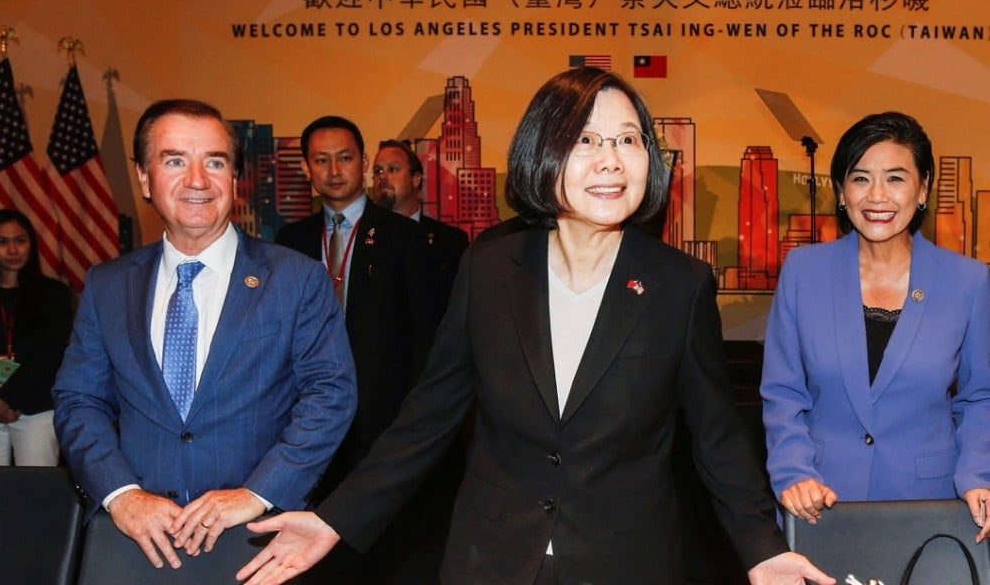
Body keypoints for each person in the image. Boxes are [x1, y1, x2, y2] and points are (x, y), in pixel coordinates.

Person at [237, 68, 834, 585]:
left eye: (628, 139)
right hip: (492, 557)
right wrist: (335, 517)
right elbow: (428, 416)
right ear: (543, 152)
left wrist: (762, 548)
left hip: (627, 560)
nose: (610, 160)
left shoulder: (680, 284)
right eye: (584, 140)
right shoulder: (492, 265)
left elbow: (716, 437)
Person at [52, 99, 357, 570]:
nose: (197, 180)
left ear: (234, 180)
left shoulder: (296, 280)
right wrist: (121, 494)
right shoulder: (107, 285)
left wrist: (257, 493)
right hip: (132, 541)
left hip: (255, 543)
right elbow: (78, 400)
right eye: (175, 160)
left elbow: (331, 394)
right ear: (143, 177)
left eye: (214, 162)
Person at [761, 111, 990, 540]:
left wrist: (978, 473)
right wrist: (793, 471)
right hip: (820, 500)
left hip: (931, 507)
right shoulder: (804, 271)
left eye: (896, 178)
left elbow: (981, 397)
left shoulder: (969, 281)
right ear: (842, 193)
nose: (877, 196)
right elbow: (783, 391)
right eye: (861, 178)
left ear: (922, 189)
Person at [274, 116, 440, 582]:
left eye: (344, 158)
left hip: (382, 424)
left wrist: (410, 424)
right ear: (307, 168)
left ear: (363, 163)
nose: (334, 170)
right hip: (307, 423)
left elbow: (425, 339)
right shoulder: (290, 243)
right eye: (321, 160)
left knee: (382, 557)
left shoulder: (405, 237)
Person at [0, 209, 73, 466]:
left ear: (31, 243)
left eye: (20, 240)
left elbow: (51, 354)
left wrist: (8, 398)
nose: (13, 250)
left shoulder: (54, 294)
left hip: (35, 407)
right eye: (2, 242)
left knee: (37, 489)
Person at [373, 138, 469, 310]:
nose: (383, 177)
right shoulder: (363, 237)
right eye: (377, 171)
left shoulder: (452, 241)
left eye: (393, 169)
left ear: (416, 179)